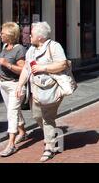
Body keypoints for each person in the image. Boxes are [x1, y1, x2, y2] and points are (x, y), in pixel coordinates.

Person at [15, 22, 69, 162]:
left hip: (53, 89)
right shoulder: (31, 50)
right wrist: (20, 85)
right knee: (37, 116)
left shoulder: (54, 46)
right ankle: (53, 134)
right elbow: (27, 69)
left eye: (31, 34)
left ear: (39, 37)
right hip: (37, 90)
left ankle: (49, 148)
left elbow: (62, 64)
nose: (28, 37)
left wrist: (43, 68)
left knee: (47, 117)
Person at [0, 23, 27, 157]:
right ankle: (22, 132)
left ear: (10, 35)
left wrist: (7, 64)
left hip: (15, 85)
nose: (0, 35)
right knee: (13, 110)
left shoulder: (19, 49)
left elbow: (23, 69)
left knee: (12, 112)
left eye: (2, 33)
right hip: (3, 84)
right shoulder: (5, 46)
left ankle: (11, 144)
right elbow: (1, 60)